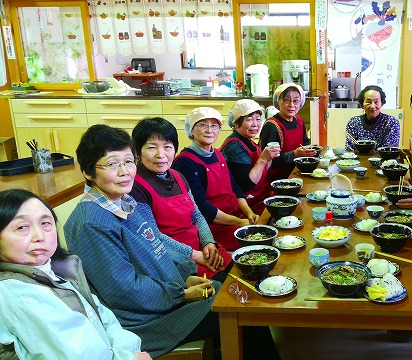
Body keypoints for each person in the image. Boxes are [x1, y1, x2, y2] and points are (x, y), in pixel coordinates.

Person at [64, 125, 280, 358]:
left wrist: (184, 279)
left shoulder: (125, 202)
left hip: (166, 298)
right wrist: (182, 293)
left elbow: (155, 246)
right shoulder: (91, 222)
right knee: (241, 309)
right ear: (87, 172)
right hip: (145, 321)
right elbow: (124, 291)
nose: (124, 171)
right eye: (112, 164)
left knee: (238, 293)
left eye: (128, 161)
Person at [0, 189, 150, 360]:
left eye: (45, 223)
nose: (39, 236)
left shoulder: (56, 270)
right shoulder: (13, 291)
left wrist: (129, 353)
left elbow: (104, 318)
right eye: (22, 227)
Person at [130, 117, 231, 280]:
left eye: (167, 147)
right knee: (224, 289)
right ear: (137, 152)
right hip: (174, 260)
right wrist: (195, 255)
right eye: (151, 147)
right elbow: (153, 237)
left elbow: (196, 215)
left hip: (200, 250)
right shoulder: (135, 187)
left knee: (242, 271)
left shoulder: (178, 176)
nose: (160, 155)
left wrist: (209, 243)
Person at [173, 107, 260, 251]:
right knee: (257, 245)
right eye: (202, 125)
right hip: (214, 227)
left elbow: (236, 189)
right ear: (191, 130)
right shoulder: (185, 162)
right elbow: (202, 208)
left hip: (234, 217)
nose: (209, 130)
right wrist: (240, 222)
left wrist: (249, 213)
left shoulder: (218, 154)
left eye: (214, 125)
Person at [220, 99, 281, 215]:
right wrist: (263, 159)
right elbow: (247, 185)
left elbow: (262, 171)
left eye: (258, 119)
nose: (255, 124)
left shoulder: (249, 141)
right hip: (247, 208)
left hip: (261, 198)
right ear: (236, 123)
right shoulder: (235, 147)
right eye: (249, 119)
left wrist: (269, 158)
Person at [259, 83, 316, 183]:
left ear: (301, 102)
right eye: (286, 100)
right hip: (278, 180)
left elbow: (305, 141)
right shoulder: (272, 126)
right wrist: (294, 154)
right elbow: (269, 160)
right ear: (278, 101)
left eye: (296, 100)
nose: (291, 105)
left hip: (298, 174)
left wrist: (309, 149)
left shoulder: (299, 121)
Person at [344, 85, 400, 151]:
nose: (372, 106)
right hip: (357, 161)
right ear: (362, 104)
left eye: (376, 102)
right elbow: (349, 151)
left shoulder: (391, 122)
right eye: (368, 102)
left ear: (382, 103)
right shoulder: (353, 122)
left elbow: (389, 151)